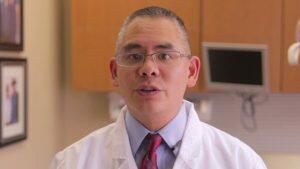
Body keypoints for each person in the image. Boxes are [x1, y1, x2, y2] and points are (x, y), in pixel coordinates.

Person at [51, 6, 267, 169]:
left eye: (164, 56)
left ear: (191, 71)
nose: (148, 69)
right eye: (134, 56)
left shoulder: (241, 162)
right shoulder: (71, 162)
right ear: (114, 71)